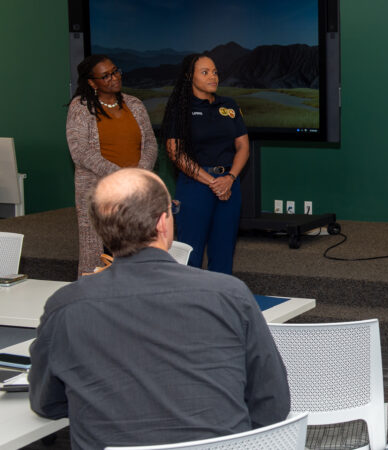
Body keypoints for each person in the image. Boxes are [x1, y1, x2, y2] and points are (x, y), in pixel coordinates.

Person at [28, 168, 290, 449]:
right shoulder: (230, 294)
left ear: (99, 228)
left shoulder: (66, 307)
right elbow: (272, 402)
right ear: (164, 223)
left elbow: (46, 403)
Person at [66, 54, 157, 276]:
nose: (114, 78)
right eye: (105, 76)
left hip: (135, 191)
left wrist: (140, 173)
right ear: (91, 82)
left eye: (115, 71)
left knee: (136, 250)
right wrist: (119, 176)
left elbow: (151, 143)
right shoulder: (80, 107)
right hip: (100, 193)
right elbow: (80, 151)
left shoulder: (134, 104)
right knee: (98, 253)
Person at [162, 54, 249, 274]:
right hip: (195, 185)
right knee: (190, 252)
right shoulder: (179, 109)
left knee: (224, 250)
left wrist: (229, 179)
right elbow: (176, 153)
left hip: (229, 184)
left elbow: (243, 147)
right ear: (189, 76)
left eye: (215, 71)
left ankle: (219, 302)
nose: (213, 76)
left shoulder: (228, 105)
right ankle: (188, 304)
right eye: (205, 72)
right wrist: (213, 182)